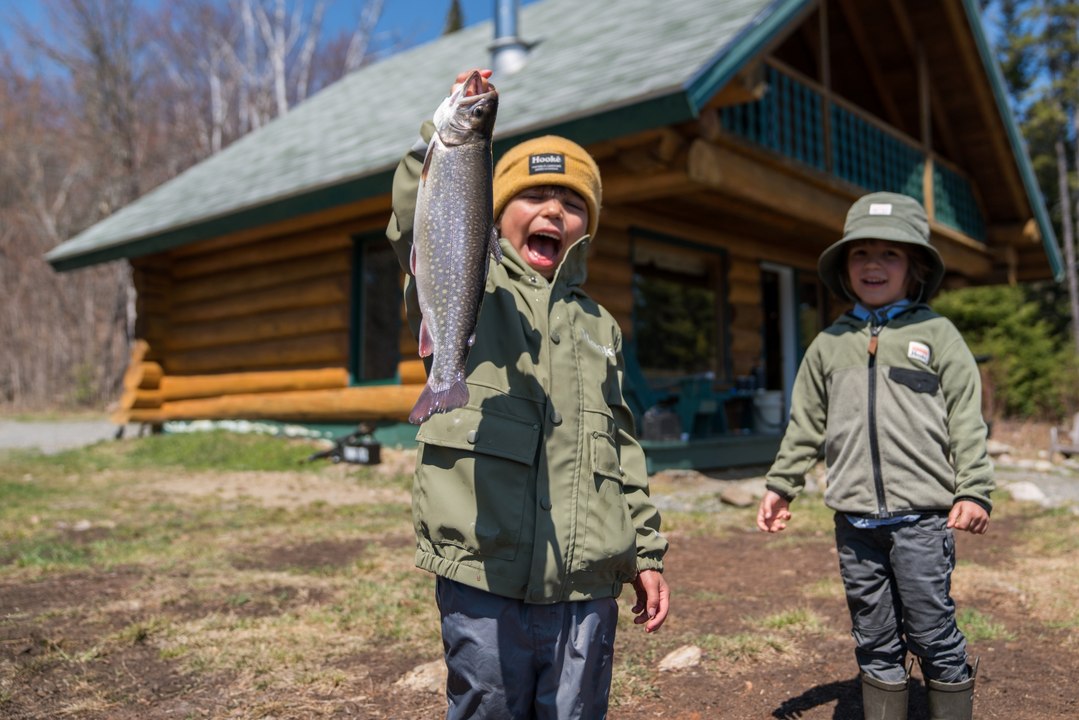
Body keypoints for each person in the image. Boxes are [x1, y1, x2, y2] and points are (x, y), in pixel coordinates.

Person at [385, 68, 670, 720]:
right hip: (484, 573)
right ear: (489, 206)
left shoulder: (601, 326)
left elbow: (622, 446)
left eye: (572, 203)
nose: (553, 211)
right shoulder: (474, 288)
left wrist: (645, 554)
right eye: (534, 194)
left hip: (586, 582)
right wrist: (443, 141)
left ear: (587, 226)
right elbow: (410, 224)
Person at [756, 192, 992, 720]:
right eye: (861, 253)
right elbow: (805, 424)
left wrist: (974, 490)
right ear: (845, 267)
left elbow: (966, 419)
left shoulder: (937, 336)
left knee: (930, 627)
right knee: (872, 631)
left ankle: (950, 699)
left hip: (922, 519)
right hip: (855, 522)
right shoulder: (828, 344)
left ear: (916, 268)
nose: (873, 264)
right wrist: (781, 485)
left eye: (890, 253)